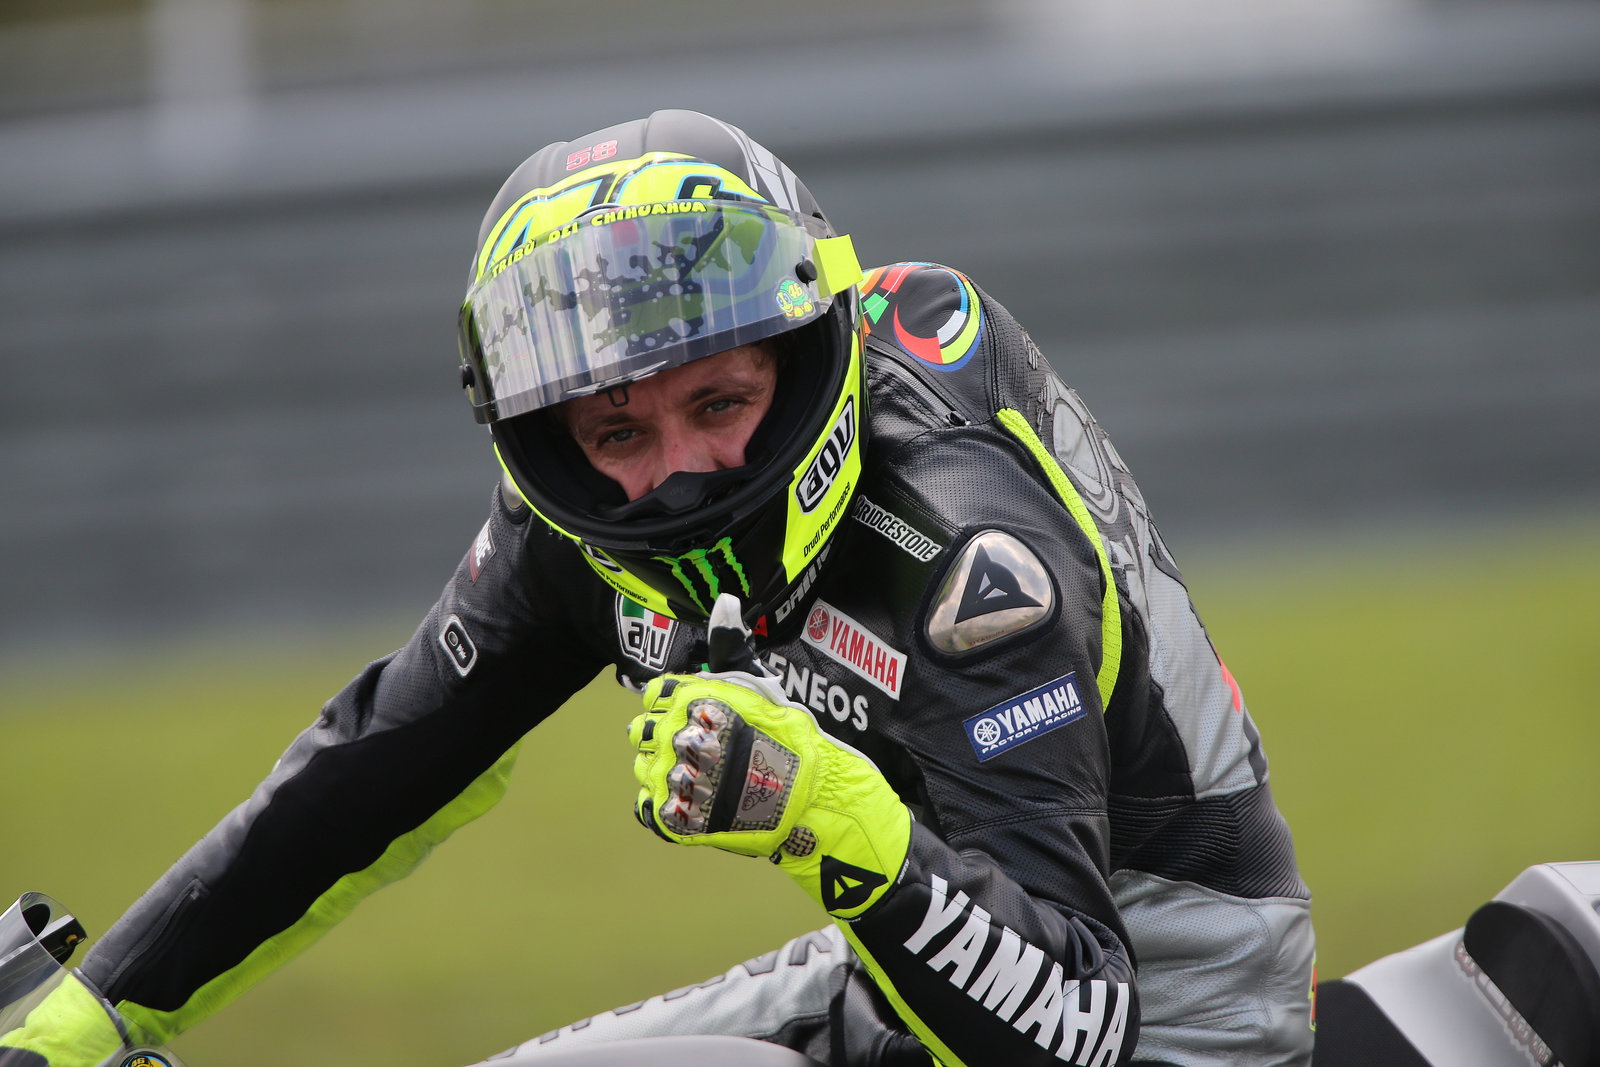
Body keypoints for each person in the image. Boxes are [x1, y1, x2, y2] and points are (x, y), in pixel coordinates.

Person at [0, 110, 1315, 1066]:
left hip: (1178, 999)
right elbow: (379, 762)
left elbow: (1086, 1020)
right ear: (549, 436)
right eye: (619, 435)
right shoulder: (575, 526)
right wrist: (105, 1005)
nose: (680, 476)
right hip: (914, 955)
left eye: (722, 402)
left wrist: (834, 822)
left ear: (803, 358)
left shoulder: (968, 564)